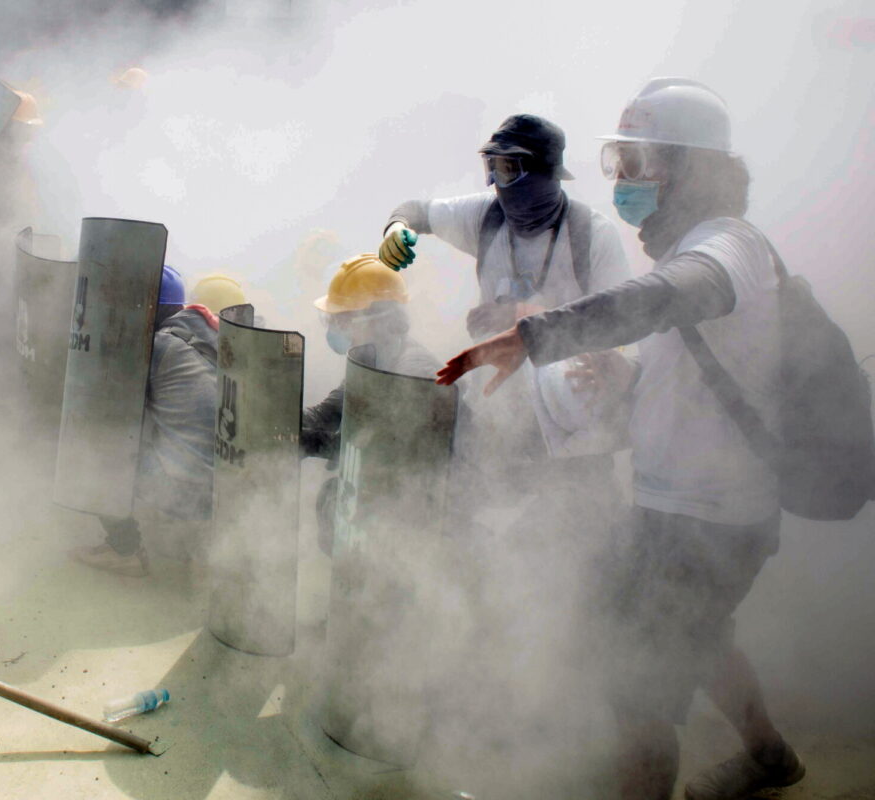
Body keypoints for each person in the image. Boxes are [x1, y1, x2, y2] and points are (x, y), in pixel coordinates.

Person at [436, 78, 803, 800]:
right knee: (702, 639)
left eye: (637, 165)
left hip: (708, 519)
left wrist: (539, 334)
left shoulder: (726, 244)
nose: (623, 184)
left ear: (689, 168)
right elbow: (703, 377)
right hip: (678, 506)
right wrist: (623, 378)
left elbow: (674, 296)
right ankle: (770, 758)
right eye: (618, 163)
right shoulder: (689, 245)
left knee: (633, 689)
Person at [376, 113, 632, 531]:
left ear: (547, 172)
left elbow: (624, 329)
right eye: (490, 168)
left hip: (569, 431)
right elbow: (415, 211)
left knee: (575, 544)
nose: (496, 183)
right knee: (469, 534)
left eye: (508, 168)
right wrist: (396, 227)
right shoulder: (486, 216)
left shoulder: (592, 236)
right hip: (496, 416)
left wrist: (531, 318)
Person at [74, 264, 220, 576]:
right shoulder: (210, 332)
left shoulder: (158, 347)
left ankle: (123, 550)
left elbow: (113, 411)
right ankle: (194, 548)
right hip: (224, 491)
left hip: (188, 493)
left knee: (98, 446)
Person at [302, 253, 439, 553]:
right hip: (384, 514)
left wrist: (319, 445)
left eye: (343, 319)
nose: (336, 329)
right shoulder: (370, 364)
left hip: (420, 526)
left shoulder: (415, 371)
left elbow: (393, 456)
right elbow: (325, 414)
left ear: (379, 320)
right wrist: (280, 423)